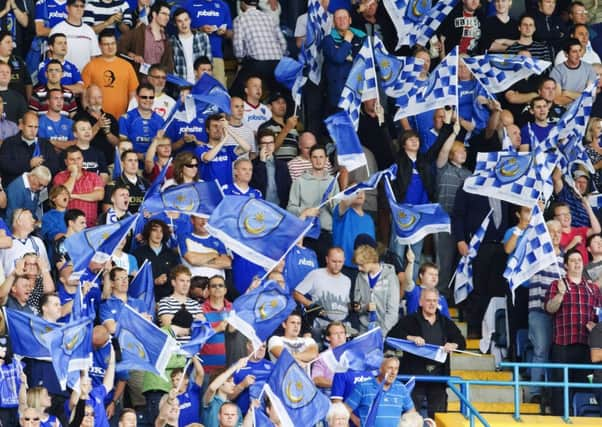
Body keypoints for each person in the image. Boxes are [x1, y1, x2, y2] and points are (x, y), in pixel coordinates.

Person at [389, 288, 466, 418]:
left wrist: (453, 345)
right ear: (420, 302)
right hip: (414, 378)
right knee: (411, 418)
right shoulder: (409, 320)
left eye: (435, 301)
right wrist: (411, 338)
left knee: (439, 418)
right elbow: (391, 336)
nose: (432, 304)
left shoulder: (445, 322)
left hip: (438, 378)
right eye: (428, 300)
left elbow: (461, 342)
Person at [545, 248, 602, 415]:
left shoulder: (593, 289)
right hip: (563, 343)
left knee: (583, 386)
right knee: (560, 386)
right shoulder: (557, 284)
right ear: (565, 265)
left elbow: (599, 314)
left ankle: (580, 419)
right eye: (573, 260)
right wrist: (560, 295)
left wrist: (596, 325)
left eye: (579, 260)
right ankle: (559, 419)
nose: (577, 263)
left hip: (586, 345)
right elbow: (549, 309)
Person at [525, 219, 563, 404]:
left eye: (558, 231)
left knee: (557, 353)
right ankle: (535, 393)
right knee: (541, 350)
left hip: (560, 315)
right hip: (540, 312)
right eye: (551, 231)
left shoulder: (566, 258)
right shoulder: (538, 255)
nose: (555, 234)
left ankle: (552, 393)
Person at [287, 145, 339, 264]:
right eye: (315, 157)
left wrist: (332, 203)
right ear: (310, 159)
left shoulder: (333, 181)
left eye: (321, 157)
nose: (318, 160)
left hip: (326, 233)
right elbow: (290, 208)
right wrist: (305, 212)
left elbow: (338, 212)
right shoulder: (299, 181)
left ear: (326, 159)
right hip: (306, 233)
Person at [230, 0, 287, 98]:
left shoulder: (239, 19)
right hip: (278, 63)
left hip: (257, 64)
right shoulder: (269, 17)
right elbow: (283, 43)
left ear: (242, 3)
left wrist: (242, 60)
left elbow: (238, 50)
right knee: (277, 94)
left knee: (235, 93)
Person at [82, 29, 139, 120]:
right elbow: (84, 94)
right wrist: (89, 114)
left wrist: (129, 117)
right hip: (97, 118)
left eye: (113, 43)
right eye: (106, 44)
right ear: (100, 46)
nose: (110, 47)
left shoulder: (127, 66)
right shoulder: (90, 66)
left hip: (122, 119)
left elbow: (132, 94)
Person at [294, 247, 351, 339]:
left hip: (342, 327)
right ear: (327, 259)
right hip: (321, 325)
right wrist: (312, 305)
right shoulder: (316, 275)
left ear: (344, 261)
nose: (337, 265)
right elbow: (297, 293)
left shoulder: (347, 280)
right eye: (334, 261)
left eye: (340, 262)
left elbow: (346, 302)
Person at [345, 353, 416, 426]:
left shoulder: (401, 388)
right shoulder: (363, 386)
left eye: (396, 368)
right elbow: (345, 411)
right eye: (390, 368)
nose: (393, 372)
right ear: (380, 369)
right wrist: (358, 422)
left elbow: (412, 414)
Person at [321, 8, 365, 112]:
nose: (342, 20)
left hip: (358, 90)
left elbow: (364, 60)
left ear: (350, 20)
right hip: (338, 94)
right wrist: (347, 40)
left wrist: (349, 57)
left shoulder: (361, 37)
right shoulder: (328, 39)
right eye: (338, 18)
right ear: (334, 22)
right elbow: (338, 58)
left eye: (344, 17)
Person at [52, 146, 105, 226]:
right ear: (66, 162)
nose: (76, 162)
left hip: (90, 225)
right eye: (72, 160)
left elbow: (99, 195)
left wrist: (75, 196)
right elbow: (63, 196)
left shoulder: (93, 176)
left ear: (83, 159)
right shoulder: (59, 177)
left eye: (78, 159)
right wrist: (73, 174)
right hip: (68, 226)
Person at [117, 0, 174, 73]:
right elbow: (119, 48)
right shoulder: (139, 31)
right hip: (138, 80)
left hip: (156, 82)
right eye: (164, 14)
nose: (167, 17)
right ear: (154, 14)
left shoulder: (166, 40)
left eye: (168, 15)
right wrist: (132, 55)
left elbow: (169, 67)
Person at [186, 0, 233, 86]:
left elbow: (230, 33)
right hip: (194, 55)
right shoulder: (189, 4)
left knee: (219, 89)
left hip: (216, 56)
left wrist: (225, 32)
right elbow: (181, 28)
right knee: (193, 89)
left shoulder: (223, 5)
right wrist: (200, 29)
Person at [196, 114, 251, 187]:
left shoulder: (228, 149)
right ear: (207, 130)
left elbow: (247, 148)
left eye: (221, 126)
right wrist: (224, 140)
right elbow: (207, 158)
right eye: (215, 126)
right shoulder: (200, 148)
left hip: (227, 192)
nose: (218, 129)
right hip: (208, 191)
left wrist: (229, 130)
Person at [133, 219, 180, 301]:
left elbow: (176, 277)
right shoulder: (138, 253)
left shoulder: (171, 254)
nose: (158, 234)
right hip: (145, 299)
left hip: (168, 299)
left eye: (161, 231)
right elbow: (136, 280)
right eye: (155, 230)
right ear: (148, 232)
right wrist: (154, 281)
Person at [49, 0, 101, 72]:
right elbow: (50, 56)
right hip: (63, 77)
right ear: (67, 8)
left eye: (82, 6)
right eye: (76, 6)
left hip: (85, 77)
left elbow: (94, 58)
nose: (79, 9)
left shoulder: (90, 31)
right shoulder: (57, 29)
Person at [76, 84, 121, 166]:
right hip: (87, 164)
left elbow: (117, 144)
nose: (97, 101)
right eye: (93, 98)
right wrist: (97, 126)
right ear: (87, 99)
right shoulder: (79, 117)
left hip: (109, 163)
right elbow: (79, 142)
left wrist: (108, 133)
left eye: (99, 97)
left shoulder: (110, 118)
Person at [119, 83, 165, 157]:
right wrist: (138, 156)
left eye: (151, 97)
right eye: (144, 97)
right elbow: (122, 146)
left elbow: (162, 147)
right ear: (137, 98)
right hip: (132, 163)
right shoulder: (126, 119)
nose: (148, 100)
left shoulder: (160, 120)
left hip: (152, 163)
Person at [179, 215, 232, 279]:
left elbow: (227, 263)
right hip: (195, 284)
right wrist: (214, 254)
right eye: (200, 218)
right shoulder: (184, 237)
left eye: (207, 218)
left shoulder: (219, 239)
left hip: (216, 285)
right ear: (192, 220)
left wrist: (198, 262)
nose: (204, 222)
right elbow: (192, 260)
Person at [250, 128, 292, 208]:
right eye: (264, 143)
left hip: (280, 208)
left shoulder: (282, 165)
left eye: (271, 143)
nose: (268, 146)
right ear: (259, 145)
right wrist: (262, 162)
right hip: (259, 208)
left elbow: (288, 188)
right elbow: (256, 185)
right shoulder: (253, 164)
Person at [549, 38, 598, 106]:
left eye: (580, 51)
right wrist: (582, 96)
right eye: (574, 52)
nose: (578, 55)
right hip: (563, 112)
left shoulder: (589, 68)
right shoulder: (557, 71)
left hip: (584, 110)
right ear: (566, 54)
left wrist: (567, 93)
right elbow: (557, 100)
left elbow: (591, 98)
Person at [170, 8, 212, 84]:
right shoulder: (172, 42)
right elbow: (172, 67)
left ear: (190, 20)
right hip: (182, 84)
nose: (183, 24)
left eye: (186, 20)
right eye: (180, 21)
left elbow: (209, 62)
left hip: (201, 83)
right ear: (175, 24)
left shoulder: (203, 37)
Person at [231, 341, 274, 415]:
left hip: (266, 416)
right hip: (243, 416)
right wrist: (242, 385)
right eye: (257, 345)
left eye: (264, 346)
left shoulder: (272, 367)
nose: (261, 349)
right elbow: (228, 397)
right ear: (248, 346)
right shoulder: (237, 366)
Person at [257, 92, 299, 161]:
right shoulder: (265, 127)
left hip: (293, 169)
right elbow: (268, 150)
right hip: (275, 168)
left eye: (283, 102)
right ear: (270, 107)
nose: (282, 105)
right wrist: (286, 129)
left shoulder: (293, 127)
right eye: (278, 103)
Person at [202, 360, 245, 427]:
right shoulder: (211, 401)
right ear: (220, 383)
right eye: (229, 381)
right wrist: (235, 366)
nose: (233, 384)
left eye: (233, 381)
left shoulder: (235, 408)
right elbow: (212, 388)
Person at [311, 321, 348, 396]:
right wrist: (339, 384)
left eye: (342, 333)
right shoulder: (322, 357)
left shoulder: (354, 355)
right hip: (331, 393)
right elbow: (317, 379)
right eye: (335, 334)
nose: (339, 336)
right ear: (328, 337)